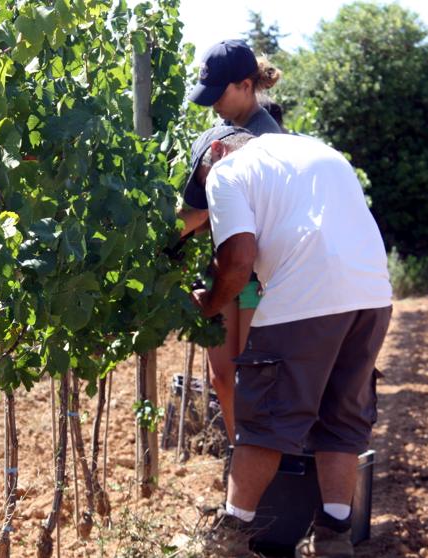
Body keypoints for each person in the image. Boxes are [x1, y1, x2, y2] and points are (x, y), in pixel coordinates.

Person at [186, 126, 393, 558]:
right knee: (341, 419)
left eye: (201, 179)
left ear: (218, 150)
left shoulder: (226, 171)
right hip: (372, 293)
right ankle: (335, 537)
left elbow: (238, 262)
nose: (207, 194)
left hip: (307, 293)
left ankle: (230, 538)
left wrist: (209, 305)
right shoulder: (317, 151)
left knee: (265, 420)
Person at [178, 39, 282, 447]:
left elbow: (205, 213)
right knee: (222, 375)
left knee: (247, 373)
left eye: (219, 93)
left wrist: (164, 237)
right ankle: (242, 453)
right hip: (224, 265)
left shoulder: (263, 137)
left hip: (254, 274)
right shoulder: (220, 131)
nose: (212, 104)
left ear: (245, 84)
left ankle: (259, 462)